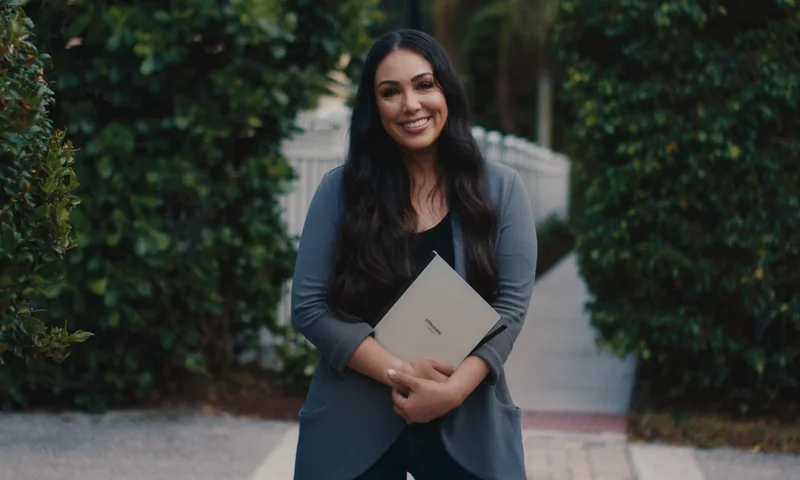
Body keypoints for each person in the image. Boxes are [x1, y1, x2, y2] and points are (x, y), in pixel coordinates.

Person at [290, 29, 537, 480]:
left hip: (468, 426)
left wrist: (452, 391)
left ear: (447, 92)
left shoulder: (502, 190)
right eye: (391, 92)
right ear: (374, 107)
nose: (411, 105)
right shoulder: (338, 193)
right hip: (352, 425)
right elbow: (308, 308)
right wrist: (398, 372)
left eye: (424, 84)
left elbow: (511, 308)